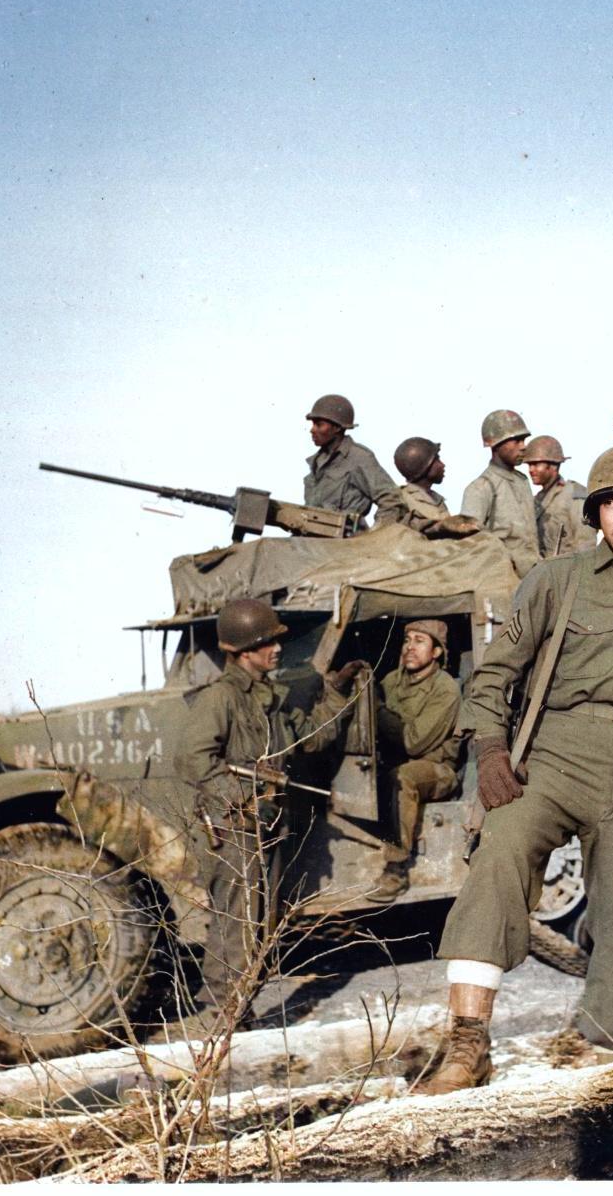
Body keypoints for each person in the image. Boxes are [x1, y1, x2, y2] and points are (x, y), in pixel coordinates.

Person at [419, 444, 613, 1093]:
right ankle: (466, 1043)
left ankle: (610, 1054)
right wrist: (490, 753)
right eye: (611, 503)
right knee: (499, 856)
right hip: (552, 755)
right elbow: (494, 674)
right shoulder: (554, 581)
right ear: (596, 513)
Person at [176, 598, 367, 1026]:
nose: (278, 649)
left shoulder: (270, 698)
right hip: (235, 824)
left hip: (266, 821)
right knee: (238, 920)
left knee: (262, 920)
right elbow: (191, 759)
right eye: (268, 643)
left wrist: (335, 691)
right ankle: (222, 1013)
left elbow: (311, 738)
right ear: (243, 652)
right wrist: (242, 795)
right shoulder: (220, 699)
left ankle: (238, 1007)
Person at [366, 619, 463, 902]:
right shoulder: (391, 681)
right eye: (408, 640)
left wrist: (377, 709)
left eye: (420, 641)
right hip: (395, 763)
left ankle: (396, 869)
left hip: (437, 769)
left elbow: (414, 741)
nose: (410, 647)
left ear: (436, 652)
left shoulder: (445, 689)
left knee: (403, 777)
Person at [460, 409, 540, 577]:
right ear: (495, 444)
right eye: (516, 441)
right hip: (502, 581)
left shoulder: (522, 481)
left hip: (533, 577)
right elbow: (471, 546)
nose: (523, 446)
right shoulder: (480, 488)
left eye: (524, 440)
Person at [302, 393, 399, 528]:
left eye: (319, 424)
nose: (312, 430)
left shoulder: (359, 458)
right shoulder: (317, 461)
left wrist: (375, 536)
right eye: (313, 424)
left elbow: (392, 501)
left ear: (337, 427)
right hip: (314, 540)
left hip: (345, 544)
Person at [374, 437, 480, 539]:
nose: (442, 465)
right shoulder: (400, 499)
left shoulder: (436, 499)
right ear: (424, 467)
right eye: (437, 460)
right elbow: (389, 532)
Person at [523, 434, 597, 557]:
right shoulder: (537, 500)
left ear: (553, 466)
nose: (531, 469)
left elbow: (585, 545)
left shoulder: (575, 495)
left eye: (536, 464)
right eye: (529, 465)